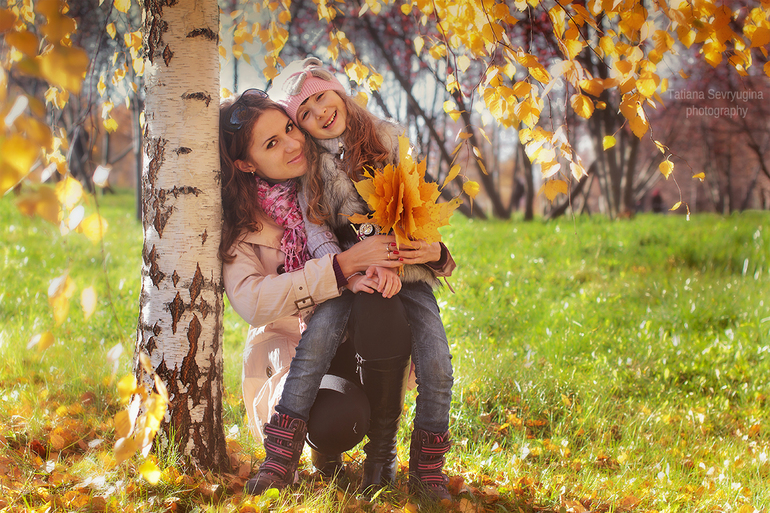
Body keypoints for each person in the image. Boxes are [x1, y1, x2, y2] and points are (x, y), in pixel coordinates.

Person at [218, 90, 452, 498]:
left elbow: (403, 217)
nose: (292, 143)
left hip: (363, 335)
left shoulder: (336, 168)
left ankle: (385, 454)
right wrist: (344, 267)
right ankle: (295, 450)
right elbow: (252, 303)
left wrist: (432, 255)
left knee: (380, 301)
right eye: (271, 143)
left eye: (290, 128)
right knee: (334, 421)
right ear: (245, 163)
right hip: (298, 349)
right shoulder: (244, 220)